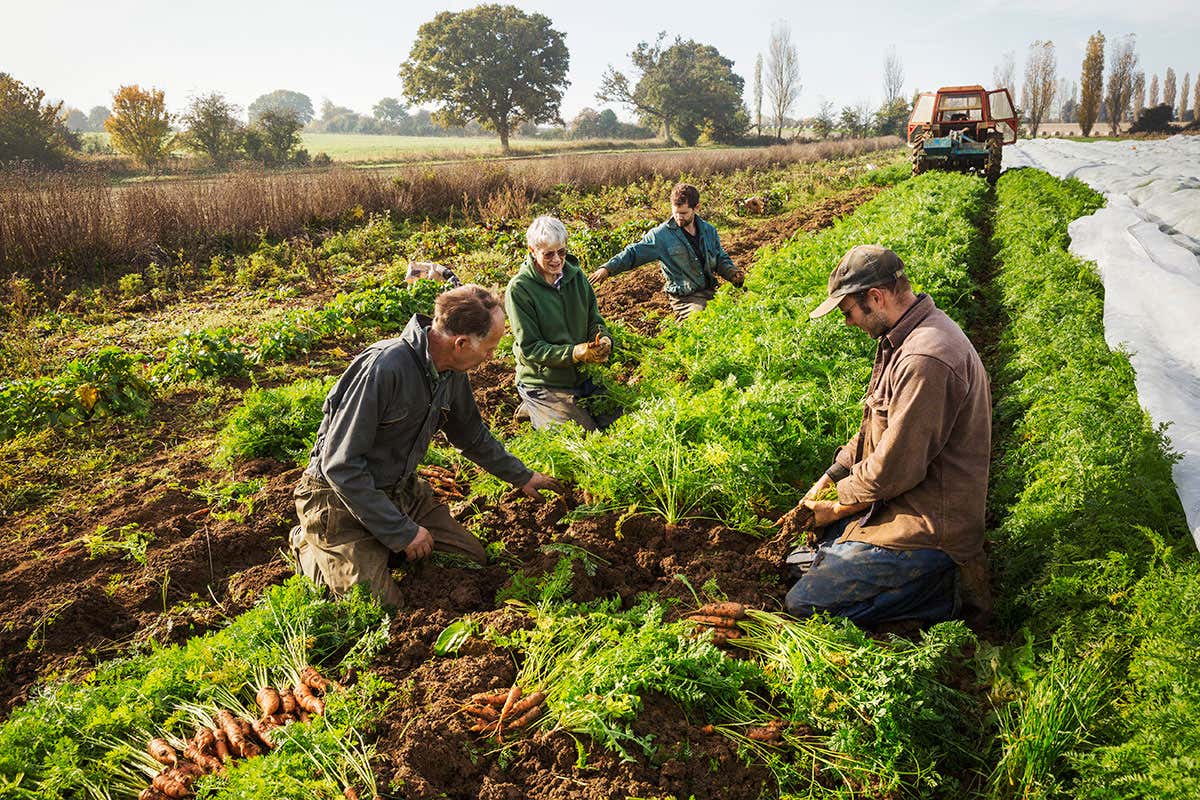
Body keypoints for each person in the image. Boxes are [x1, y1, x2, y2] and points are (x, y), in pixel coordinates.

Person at [291, 284, 561, 607]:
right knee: (381, 608)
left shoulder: (450, 372)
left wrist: (522, 476)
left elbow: (472, 436)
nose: (490, 358)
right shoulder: (385, 369)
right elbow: (340, 465)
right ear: (461, 344)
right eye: (489, 349)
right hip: (338, 502)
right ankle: (311, 550)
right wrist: (402, 532)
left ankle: (378, 547)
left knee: (473, 558)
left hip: (399, 492)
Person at [780, 244, 993, 627]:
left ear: (875, 298)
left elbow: (894, 469)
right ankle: (858, 557)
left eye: (848, 312)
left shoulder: (925, 358)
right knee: (805, 555)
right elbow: (868, 434)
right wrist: (826, 482)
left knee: (805, 603)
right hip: (898, 501)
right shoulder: (898, 340)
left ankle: (941, 595)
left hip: (928, 527)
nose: (848, 323)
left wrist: (837, 504)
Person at [505, 216, 617, 431]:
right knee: (582, 435)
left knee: (619, 424)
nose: (557, 260)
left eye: (561, 252)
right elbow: (531, 348)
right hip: (544, 380)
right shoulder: (520, 289)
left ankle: (548, 409)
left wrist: (603, 338)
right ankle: (534, 405)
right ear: (532, 250)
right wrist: (574, 353)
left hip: (580, 375)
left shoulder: (576, 277)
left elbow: (594, 320)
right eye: (548, 254)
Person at [588, 182, 745, 320]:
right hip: (685, 298)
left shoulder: (709, 231)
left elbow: (720, 258)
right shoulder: (661, 236)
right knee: (700, 318)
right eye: (675, 213)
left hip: (710, 290)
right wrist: (608, 268)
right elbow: (633, 253)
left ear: (696, 208)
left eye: (683, 213)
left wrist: (732, 273)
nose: (678, 218)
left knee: (738, 310)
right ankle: (680, 325)